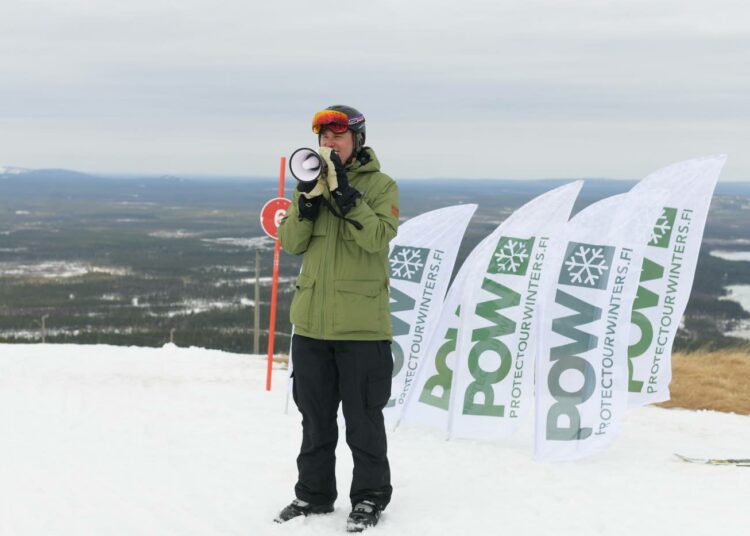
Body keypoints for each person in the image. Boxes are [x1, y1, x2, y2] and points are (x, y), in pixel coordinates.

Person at [275, 105, 399, 532]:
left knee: (363, 419)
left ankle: (368, 498)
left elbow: (378, 239)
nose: (328, 144)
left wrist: (346, 196)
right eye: (324, 138)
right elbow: (291, 242)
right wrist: (307, 202)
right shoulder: (308, 183)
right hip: (311, 326)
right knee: (315, 417)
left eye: (337, 137)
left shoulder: (381, 186)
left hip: (362, 327)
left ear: (357, 141)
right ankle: (312, 495)